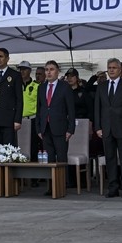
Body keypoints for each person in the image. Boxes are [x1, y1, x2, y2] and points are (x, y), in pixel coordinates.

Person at [94, 57, 122, 198]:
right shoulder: (101, 86)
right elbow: (97, 109)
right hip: (106, 128)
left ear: (120, 70)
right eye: (109, 67)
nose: (111, 70)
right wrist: (98, 127)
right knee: (110, 159)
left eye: (114, 68)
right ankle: (113, 187)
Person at [36, 60, 75, 193]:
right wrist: (38, 128)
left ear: (57, 71)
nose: (48, 72)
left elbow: (71, 110)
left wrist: (70, 129)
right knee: (49, 158)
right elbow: (39, 109)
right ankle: (51, 186)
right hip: (45, 128)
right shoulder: (41, 87)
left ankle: (62, 184)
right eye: (47, 69)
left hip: (60, 127)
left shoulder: (65, 87)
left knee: (62, 157)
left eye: (51, 69)